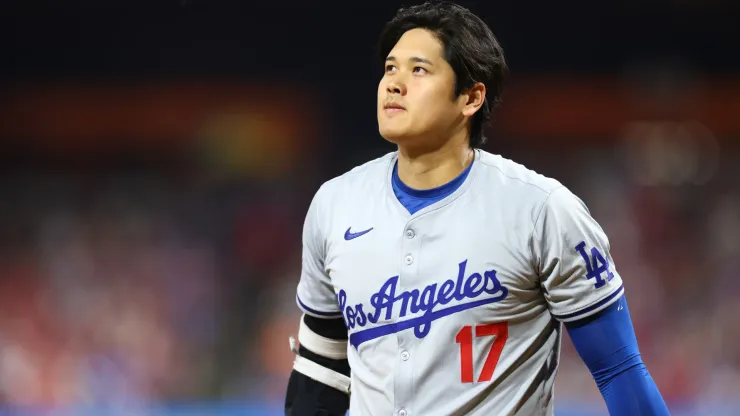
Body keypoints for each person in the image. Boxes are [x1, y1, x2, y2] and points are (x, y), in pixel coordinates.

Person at [284, 1, 671, 415]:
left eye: (418, 70)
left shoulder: (540, 210)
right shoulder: (335, 204)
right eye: (390, 68)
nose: (393, 84)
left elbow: (619, 370)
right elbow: (320, 369)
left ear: (470, 97)